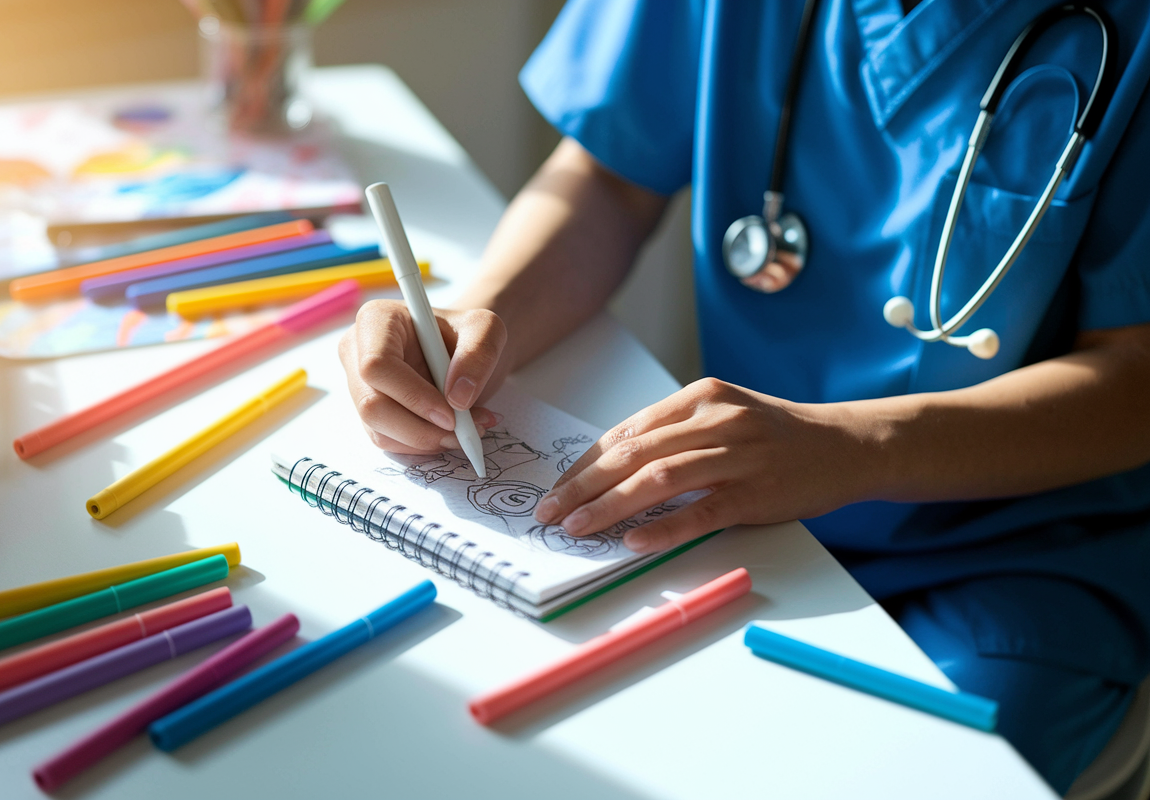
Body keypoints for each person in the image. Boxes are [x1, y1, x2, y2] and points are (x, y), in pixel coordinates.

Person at [339, 0, 1150, 791]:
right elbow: (607, 180)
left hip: (1009, 566)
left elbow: (1136, 377)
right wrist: (472, 329)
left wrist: (855, 446)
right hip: (734, 521)